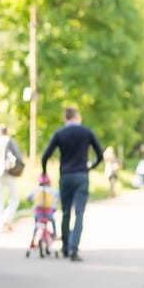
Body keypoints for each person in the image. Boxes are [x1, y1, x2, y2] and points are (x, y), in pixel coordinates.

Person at [40, 107, 103, 262]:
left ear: (65, 118)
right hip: (81, 175)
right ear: (76, 116)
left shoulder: (60, 134)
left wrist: (44, 173)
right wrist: (90, 167)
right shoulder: (86, 132)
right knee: (80, 213)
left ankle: (66, 248)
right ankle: (74, 248)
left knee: (66, 212)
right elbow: (100, 155)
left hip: (66, 176)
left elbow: (45, 156)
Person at [26, 174, 60, 248]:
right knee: (53, 221)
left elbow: (28, 197)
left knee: (36, 226)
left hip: (38, 213)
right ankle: (54, 234)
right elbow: (59, 196)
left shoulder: (36, 190)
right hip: (49, 213)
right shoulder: (53, 190)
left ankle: (33, 240)